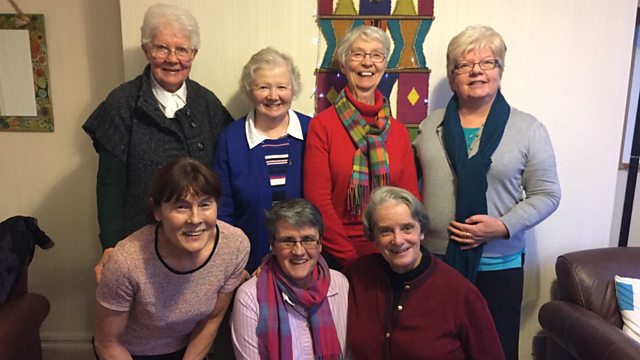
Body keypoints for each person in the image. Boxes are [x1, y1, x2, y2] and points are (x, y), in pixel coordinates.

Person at [413, 25, 561, 359]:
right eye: (464, 65)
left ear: (500, 70)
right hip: (435, 263)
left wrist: (502, 226)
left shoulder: (528, 128)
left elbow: (547, 193)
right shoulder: (429, 126)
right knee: (436, 349)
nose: (477, 71)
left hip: (499, 267)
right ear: (453, 76)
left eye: (488, 62)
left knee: (493, 349)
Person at [83, 3, 233, 283]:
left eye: (182, 50)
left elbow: (225, 171)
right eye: (161, 48)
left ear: (194, 54)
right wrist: (111, 244)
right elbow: (109, 183)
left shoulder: (207, 103)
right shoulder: (122, 104)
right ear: (146, 50)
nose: (172, 58)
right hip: (141, 243)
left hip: (198, 240)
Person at [93, 157, 249, 359]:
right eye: (181, 207)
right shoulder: (127, 260)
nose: (195, 219)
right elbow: (107, 342)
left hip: (188, 349)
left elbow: (212, 318)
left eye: (205, 204)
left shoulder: (235, 246)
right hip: (130, 351)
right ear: (157, 211)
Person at [304, 25, 420, 269]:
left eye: (376, 55)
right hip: (339, 255)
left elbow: (410, 202)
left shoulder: (398, 132)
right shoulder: (322, 126)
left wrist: (399, 253)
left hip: (392, 251)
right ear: (344, 65)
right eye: (357, 54)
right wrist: (351, 259)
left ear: (384, 65)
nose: (367, 62)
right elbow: (318, 201)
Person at [344, 186, 503, 360]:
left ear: (422, 231)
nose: (398, 240)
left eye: (407, 228)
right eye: (386, 231)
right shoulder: (357, 276)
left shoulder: (459, 292)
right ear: (373, 237)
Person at [213, 47, 311, 273]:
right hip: (248, 267)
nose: (273, 96)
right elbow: (222, 211)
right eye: (263, 87)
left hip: (305, 265)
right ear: (249, 91)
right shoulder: (231, 139)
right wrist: (235, 267)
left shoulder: (313, 132)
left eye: (282, 87)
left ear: (293, 90)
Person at [231, 199, 348, 359]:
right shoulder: (250, 297)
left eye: (308, 240)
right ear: (272, 244)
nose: (299, 251)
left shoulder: (340, 285)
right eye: (288, 241)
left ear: (320, 243)